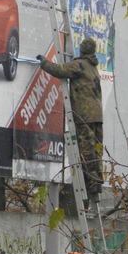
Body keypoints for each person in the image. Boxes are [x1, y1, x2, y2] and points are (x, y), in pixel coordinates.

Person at [37, 37, 104, 201]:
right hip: (97, 116)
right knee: (96, 151)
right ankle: (97, 184)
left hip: (84, 115)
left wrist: (44, 62)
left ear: (82, 49)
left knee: (86, 151)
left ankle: (92, 187)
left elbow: (59, 70)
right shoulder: (93, 67)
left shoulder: (80, 65)